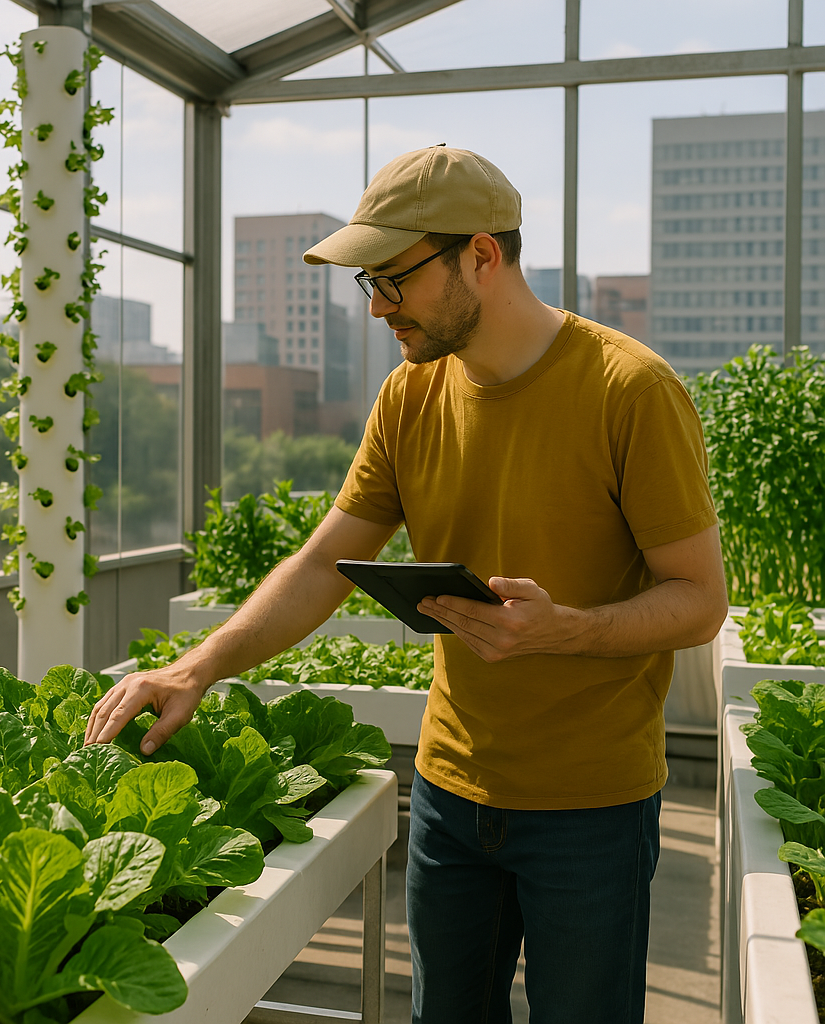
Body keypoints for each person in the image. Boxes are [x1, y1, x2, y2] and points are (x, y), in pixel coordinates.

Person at [85, 145, 728, 1024]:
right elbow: (320, 567)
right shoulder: (408, 396)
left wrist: (564, 630)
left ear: (482, 256)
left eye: (396, 280)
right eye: (369, 286)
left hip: (592, 807)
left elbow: (700, 600)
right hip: (451, 796)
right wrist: (196, 667)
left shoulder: (630, 389)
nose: (380, 306)